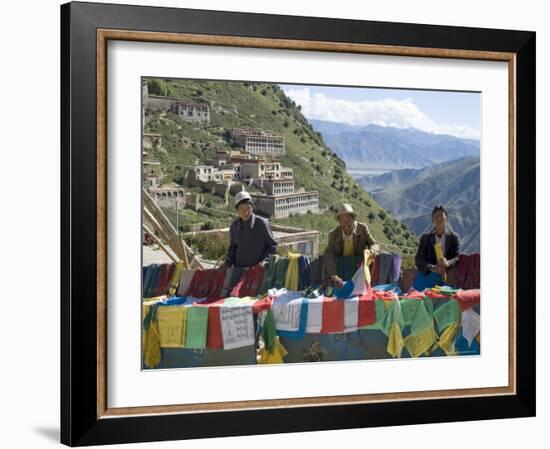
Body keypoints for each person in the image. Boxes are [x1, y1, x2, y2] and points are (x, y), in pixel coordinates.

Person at [323, 203, 380, 288]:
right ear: (339, 222)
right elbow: (328, 255)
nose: (345, 223)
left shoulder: (362, 228)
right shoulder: (333, 234)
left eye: (348, 219)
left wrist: (372, 251)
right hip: (341, 268)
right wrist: (334, 276)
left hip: (359, 267)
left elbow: (374, 244)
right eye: (342, 220)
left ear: (353, 219)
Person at [223, 190, 278, 269]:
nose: (246, 212)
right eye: (242, 209)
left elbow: (272, 246)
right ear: (237, 210)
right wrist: (227, 262)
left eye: (248, 208)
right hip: (238, 270)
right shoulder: (234, 227)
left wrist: (266, 261)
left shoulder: (262, 223)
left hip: (257, 271)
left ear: (252, 207)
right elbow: (233, 248)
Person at [413, 204, 460, 290]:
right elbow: (418, 259)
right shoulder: (425, 238)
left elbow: (457, 257)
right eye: (436, 216)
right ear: (432, 220)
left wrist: (448, 263)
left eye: (441, 215)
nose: (438, 218)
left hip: (448, 275)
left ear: (446, 218)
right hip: (429, 276)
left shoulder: (453, 237)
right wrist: (432, 268)